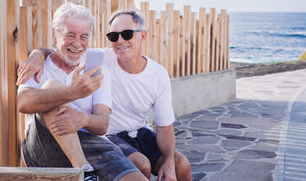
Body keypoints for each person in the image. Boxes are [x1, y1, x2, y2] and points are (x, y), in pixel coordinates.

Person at [17, 10, 192, 181]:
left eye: (84, 37)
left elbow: (104, 124)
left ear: (142, 36)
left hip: (94, 140)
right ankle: (85, 171)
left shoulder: (95, 64)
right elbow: (23, 103)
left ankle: (87, 172)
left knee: (164, 169)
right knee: (51, 86)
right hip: (46, 142)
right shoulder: (38, 67)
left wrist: (83, 119)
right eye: (114, 36)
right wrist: (40, 55)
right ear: (55, 36)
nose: (77, 44)